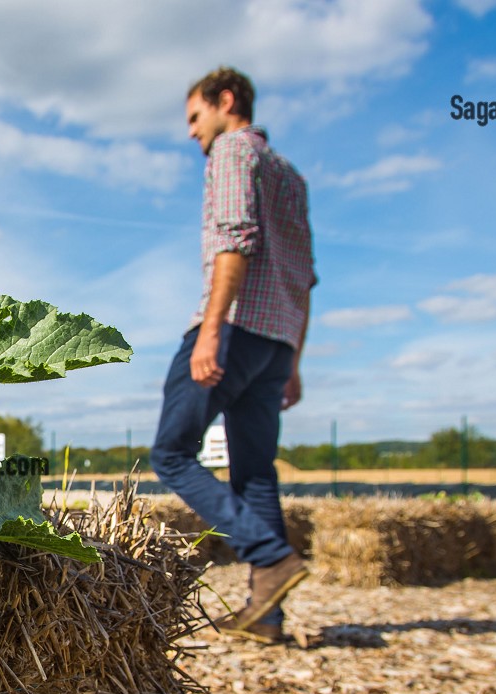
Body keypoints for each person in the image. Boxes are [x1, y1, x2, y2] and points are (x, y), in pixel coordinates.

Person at [150, 66, 316, 645]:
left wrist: (210, 332)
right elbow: (305, 281)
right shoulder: (290, 176)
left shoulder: (231, 152)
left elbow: (233, 241)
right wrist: (293, 358)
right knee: (254, 474)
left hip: (235, 328)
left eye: (196, 117)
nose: (192, 133)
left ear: (226, 102)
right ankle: (266, 617)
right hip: (276, 342)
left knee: (170, 453)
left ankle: (269, 555)